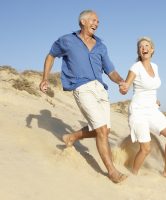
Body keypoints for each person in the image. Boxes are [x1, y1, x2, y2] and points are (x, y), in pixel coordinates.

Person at [39, 10, 127, 183]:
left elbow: (111, 70)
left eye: (98, 21)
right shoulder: (67, 40)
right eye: (94, 20)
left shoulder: (101, 45)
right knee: (101, 130)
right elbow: (51, 55)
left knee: (104, 130)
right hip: (82, 87)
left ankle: (71, 137)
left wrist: (121, 81)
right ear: (83, 22)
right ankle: (112, 171)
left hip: (100, 89)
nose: (97, 23)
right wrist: (45, 78)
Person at [119, 37, 166, 181]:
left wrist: (154, 101)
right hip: (138, 111)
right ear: (139, 51)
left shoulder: (155, 66)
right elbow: (126, 87)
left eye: (147, 45)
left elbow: (151, 88)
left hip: (152, 109)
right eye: (141, 46)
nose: (144, 48)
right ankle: (133, 174)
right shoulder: (136, 67)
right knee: (145, 149)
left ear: (152, 50)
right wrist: (123, 87)